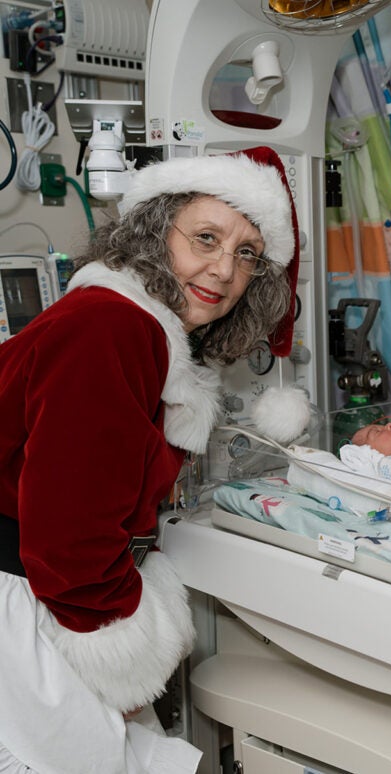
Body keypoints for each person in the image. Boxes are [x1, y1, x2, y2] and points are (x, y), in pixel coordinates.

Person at [0, 146, 299, 773]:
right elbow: (68, 536)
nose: (222, 269)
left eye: (246, 253)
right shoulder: (110, 327)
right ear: (152, 232)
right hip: (30, 601)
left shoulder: (140, 328)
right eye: (206, 237)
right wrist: (122, 641)